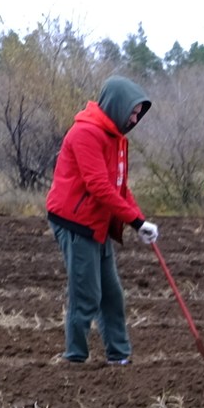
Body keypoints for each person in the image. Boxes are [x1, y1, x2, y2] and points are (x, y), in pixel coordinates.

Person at [43, 75, 158, 366]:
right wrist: (133, 221)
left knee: (112, 295)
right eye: (132, 112)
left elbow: (119, 186)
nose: (134, 119)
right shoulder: (85, 133)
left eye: (137, 114)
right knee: (87, 294)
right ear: (117, 106)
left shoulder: (117, 138)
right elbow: (98, 185)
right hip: (74, 221)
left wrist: (140, 220)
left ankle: (119, 356)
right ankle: (75, 358)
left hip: (99, 222)